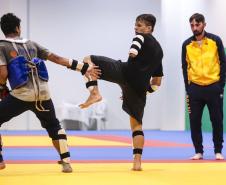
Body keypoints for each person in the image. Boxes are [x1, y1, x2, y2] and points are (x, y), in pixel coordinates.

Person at [0, 13, 100, 172]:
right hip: (43, 94)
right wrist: (84, 67)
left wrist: (2, 88)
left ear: (3, 30)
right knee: (53, 125)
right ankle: (66, 162)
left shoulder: (1, 46)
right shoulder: (31, 44)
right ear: (18, 28)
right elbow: (57, 58)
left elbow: (3, 74)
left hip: (21, 95)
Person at [79, 14, 163, 170]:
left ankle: (94, 93)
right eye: (135, 25)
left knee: (87, 59)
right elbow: (157, 82)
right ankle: (137, 162)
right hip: (138, 88)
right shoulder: (159, 52)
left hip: (123, 72)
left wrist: (133, 50)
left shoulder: (140, 38)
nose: (135, 28)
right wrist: (144, 91)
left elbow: (134, 49)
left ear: (149, 28)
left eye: (139, 25)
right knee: (137, 125)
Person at [182, 13, 226, 160]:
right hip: (194, 88)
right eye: (192, 25)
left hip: (214, 87)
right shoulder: (186, 44)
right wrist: (188, 88)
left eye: (197, 24)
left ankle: (218, 150)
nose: (194, 28)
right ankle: (198, 151)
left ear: (204, 25)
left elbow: (223, 63)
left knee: (217, 120)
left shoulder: (215, 40)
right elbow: (184, 67)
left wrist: (221, 85)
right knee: (194, 121)